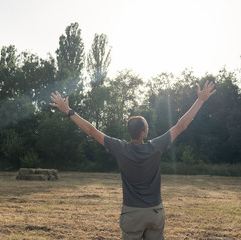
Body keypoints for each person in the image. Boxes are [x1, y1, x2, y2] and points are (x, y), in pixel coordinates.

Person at [49, 80, 216, 240]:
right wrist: (200, 100)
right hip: (154, 212)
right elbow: (181, 126)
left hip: (131, 213)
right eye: (146, 126)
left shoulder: (120, 149)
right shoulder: (155, 147)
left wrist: (68, 111)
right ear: (142, 133)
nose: (148, 127)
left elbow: (92, 131)